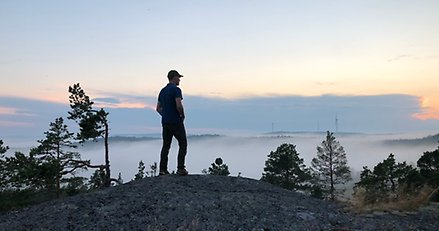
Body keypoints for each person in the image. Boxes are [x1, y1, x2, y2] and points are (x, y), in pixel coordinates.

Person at [156, 70, 188, 176]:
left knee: (166, 145)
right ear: (174, 77)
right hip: (176, 121)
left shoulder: (162, 91)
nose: (179, 79)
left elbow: (158, 108)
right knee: (183, 143)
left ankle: (162, 169)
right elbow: (178, 104)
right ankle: (180, 168)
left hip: (165, 122)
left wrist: (165, 115)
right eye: (178, 77)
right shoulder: (176, 90)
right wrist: (182, 115)